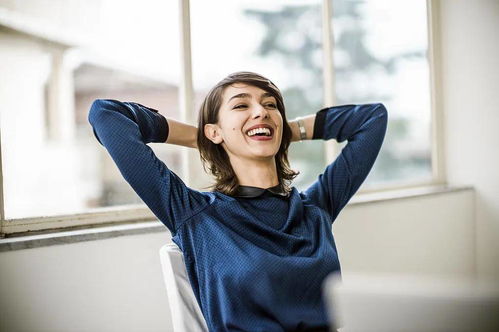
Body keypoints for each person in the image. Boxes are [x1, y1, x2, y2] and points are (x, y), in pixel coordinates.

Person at [88, 71, 388, 331]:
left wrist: (285, 131)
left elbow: (372, 119)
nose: (261, 111)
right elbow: (106, 114)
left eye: (270, 105)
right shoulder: (195, 214)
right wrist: (202, 138)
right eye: (242, 105)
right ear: (214, 131)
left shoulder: (315, 209)